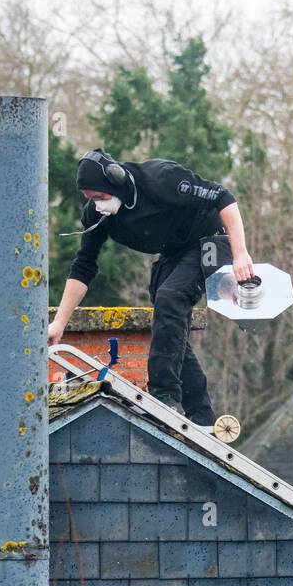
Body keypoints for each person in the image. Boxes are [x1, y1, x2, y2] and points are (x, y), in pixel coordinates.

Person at [48, 149, 255, 427]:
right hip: (174, 252)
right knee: (168, 322)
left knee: (170, 298)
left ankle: (164, 397)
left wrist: (240, 253)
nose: (98, 206)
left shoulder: (162, 179)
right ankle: (202, 415)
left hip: (210, 242)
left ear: (116, 182)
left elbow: (223, 198)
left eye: (100, 198)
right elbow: (84, 267)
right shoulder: (98, 216)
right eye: (90, 200)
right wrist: (59, 324)